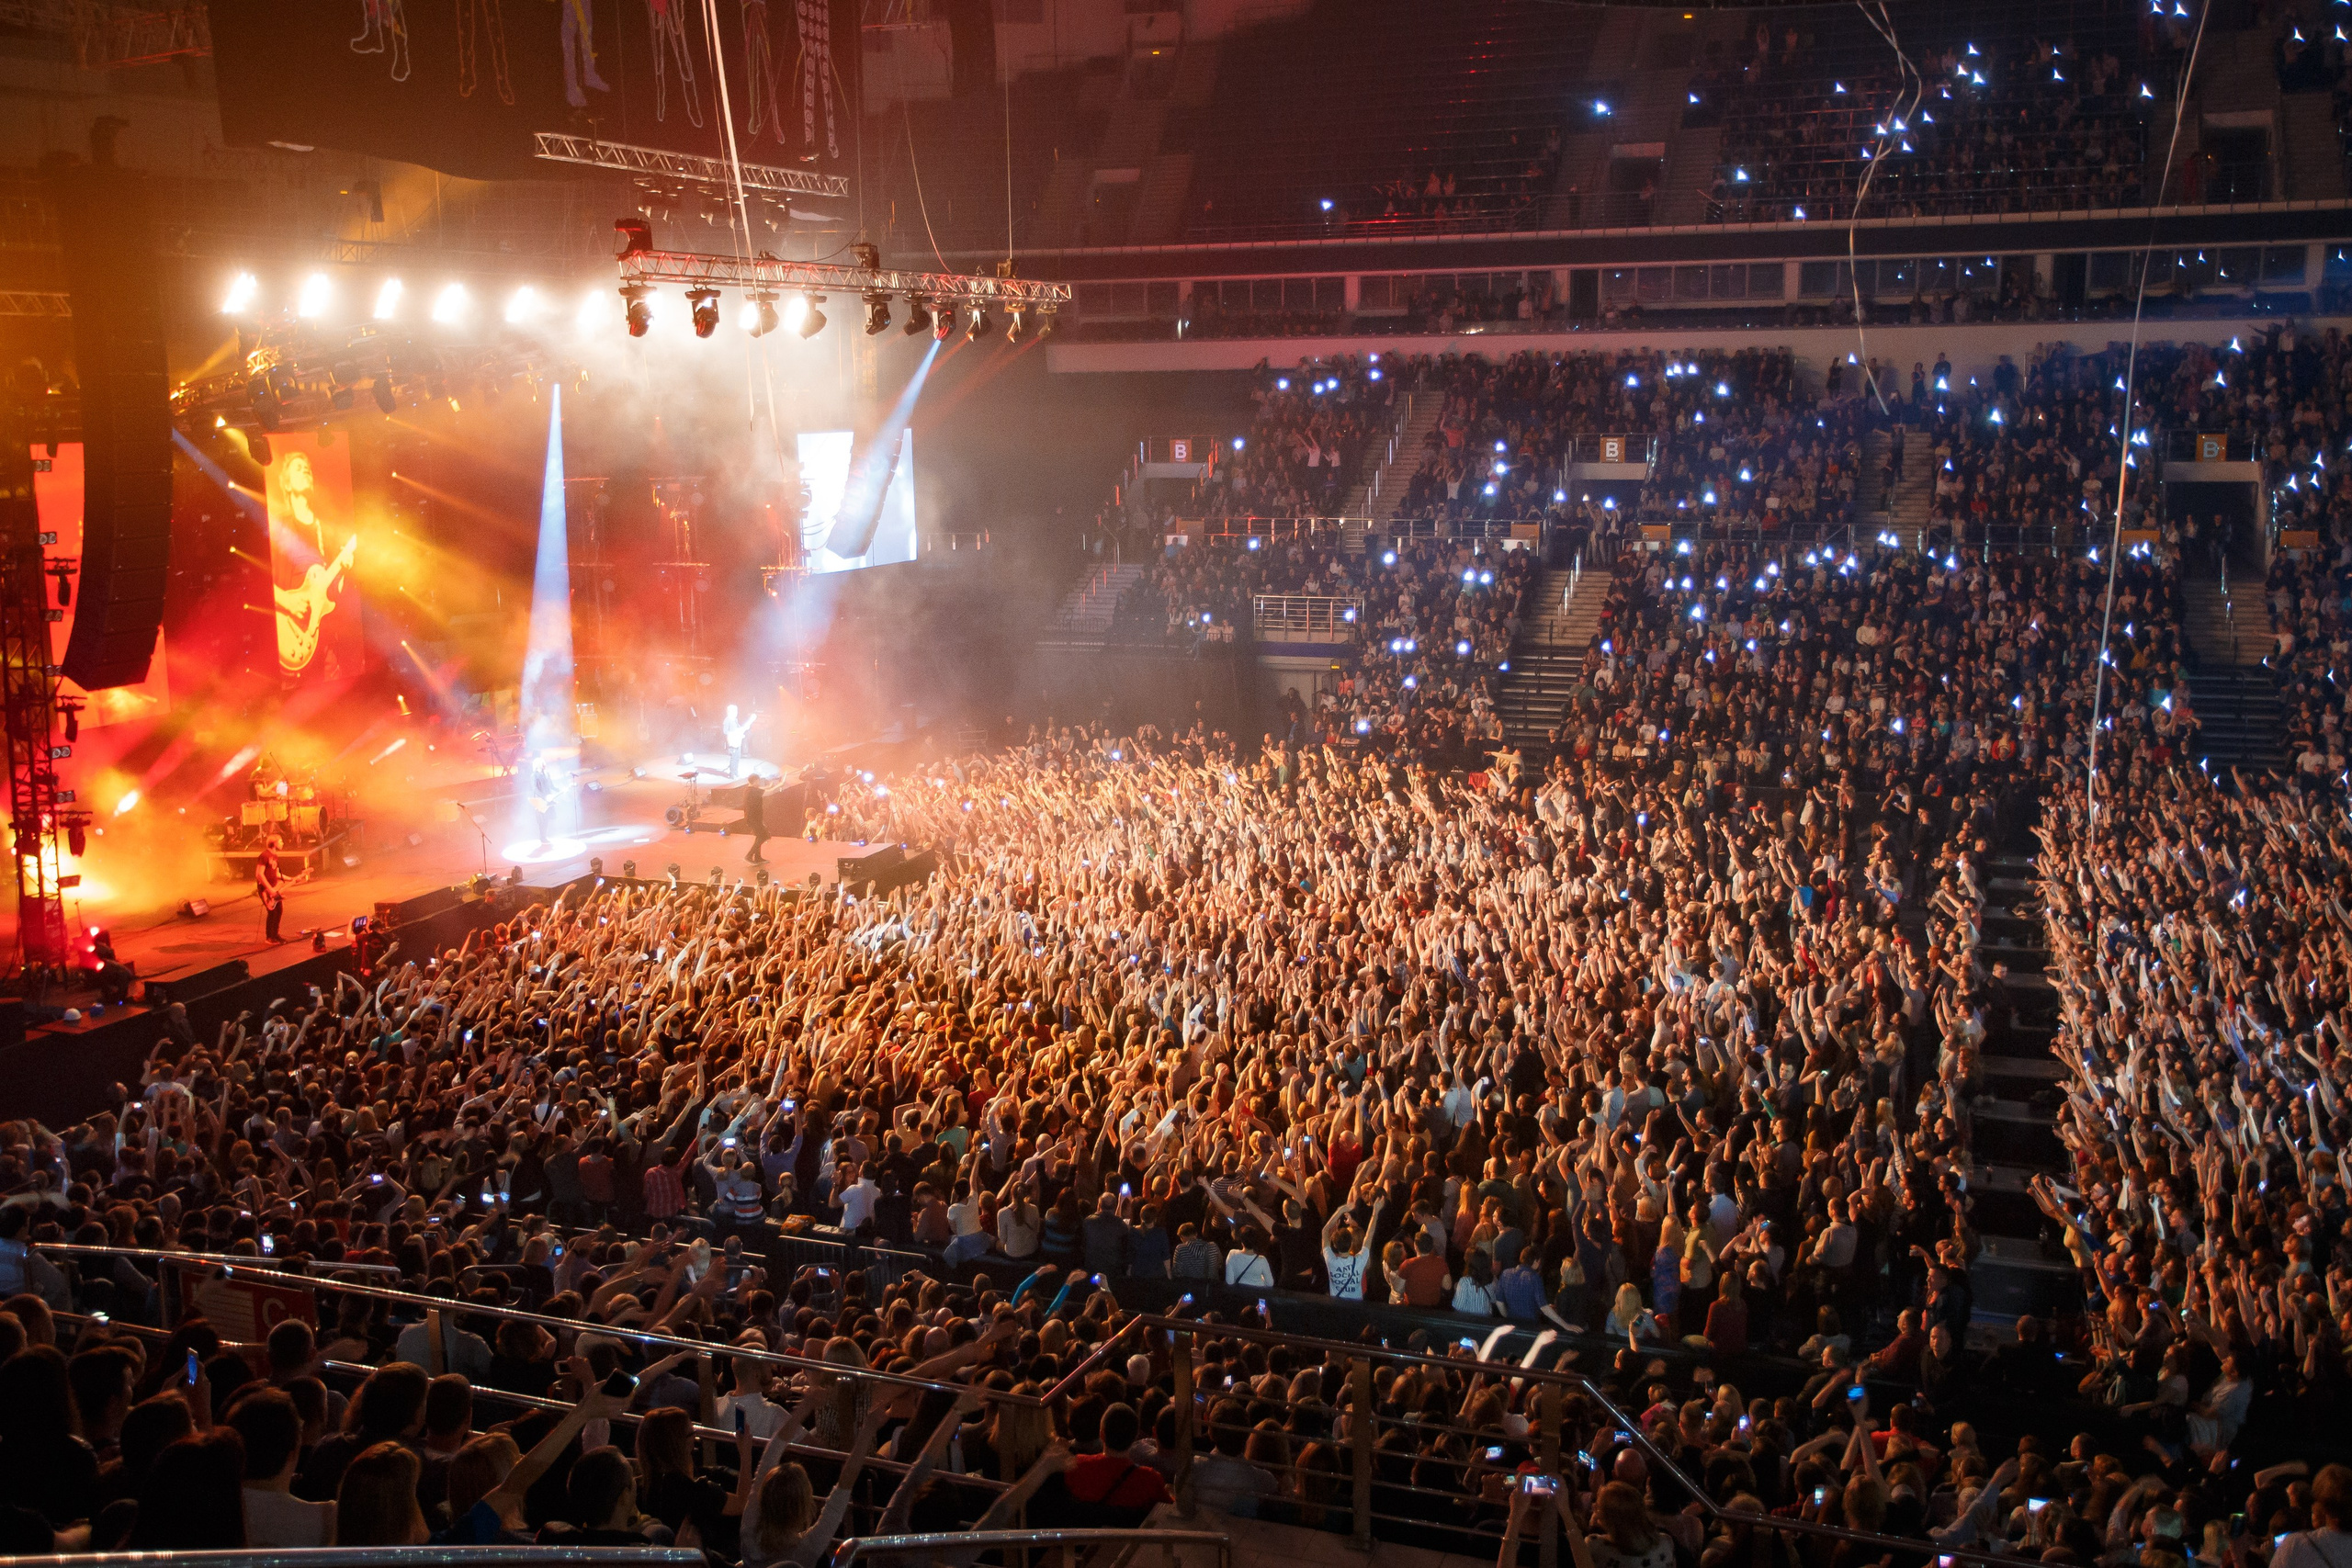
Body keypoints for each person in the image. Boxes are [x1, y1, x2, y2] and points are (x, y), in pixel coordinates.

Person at [254, 835, 287, 944]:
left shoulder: (275, 856)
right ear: (274, 843)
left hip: (274, 888)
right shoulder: (264, 856)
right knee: (272, 912)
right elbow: (259, 874)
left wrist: (292, 878)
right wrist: (270, 889)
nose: (283, 843)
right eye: (281, 841)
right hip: (266, 890)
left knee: (279, 910)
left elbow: (276, 873)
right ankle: (269, 937)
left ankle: (275, 935)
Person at [742, 777, 770, 864]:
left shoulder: (749, 790)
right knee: (763, 836)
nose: (759, 783)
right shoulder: (752, 791)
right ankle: (749, 856)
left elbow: (762, 790)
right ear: (755, 781)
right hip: (753, 819)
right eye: (758, 781)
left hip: (755, 818)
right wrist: (780, 784)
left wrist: (769, 786)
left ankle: (758, 857)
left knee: (760, 836)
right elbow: (767, 792)